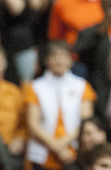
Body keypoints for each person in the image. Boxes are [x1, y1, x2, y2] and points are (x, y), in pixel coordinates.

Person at [24, 41, 96, 169]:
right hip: (42, 153)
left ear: (71, 60)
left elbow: (86, 121)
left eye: (64, 56)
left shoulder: (82, 85)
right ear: (47, 60)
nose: (59, 61)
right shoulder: (35, 87)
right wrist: (55, 146)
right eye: (55, 56)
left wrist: (62, 145)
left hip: (73, 151)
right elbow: (33, 123)